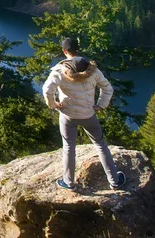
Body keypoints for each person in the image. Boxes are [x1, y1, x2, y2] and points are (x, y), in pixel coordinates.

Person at [42, 36, 126, 191]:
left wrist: (54, 105)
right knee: (100, 145)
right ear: (78, 49)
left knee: (68, 147)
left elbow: (47, 90)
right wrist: (100, 105)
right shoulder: (92, 69)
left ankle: (69, 182)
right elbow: (108, 88)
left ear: (64, 51)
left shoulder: (59, 71)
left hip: (67, 115)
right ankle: (114, 181)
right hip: (89, 115)